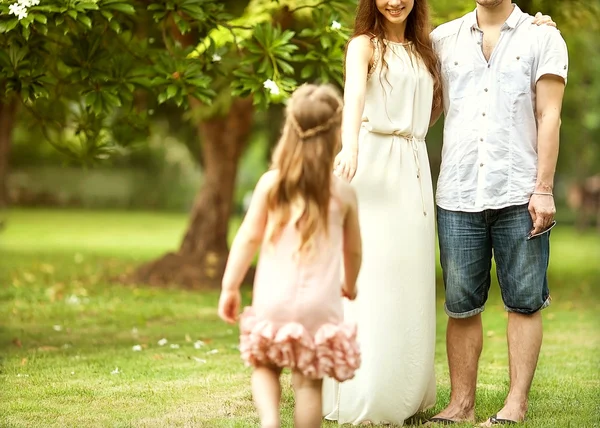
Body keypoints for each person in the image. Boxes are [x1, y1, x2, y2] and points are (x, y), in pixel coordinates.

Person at [428, 1, 568, 425]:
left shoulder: (543, 37)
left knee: (524, 302)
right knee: (460, 305)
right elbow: (425, 109)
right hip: (458, 191)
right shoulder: (441, 40)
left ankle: (516, 404)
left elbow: (550, 114)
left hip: (519, 191)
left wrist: (543, 188)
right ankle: (461, 404)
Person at [323, 0, 442, 424]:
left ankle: (405, 390)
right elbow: (354, 96)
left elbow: (436, 102)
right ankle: (368, 390)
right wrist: (350, 146)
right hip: (372, 165)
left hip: (413, 168)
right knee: (372, 276)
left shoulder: (426, 49)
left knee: (409, 278)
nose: (394, 1)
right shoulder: (364, 45)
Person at [217, 84, 363, 428]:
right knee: (308, 382)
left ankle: (270, 421)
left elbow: (247, 238)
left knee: (265, 366)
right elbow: (353, 249)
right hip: (320, 306)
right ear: (335, 135)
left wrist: (230, 286)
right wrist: (350, 284)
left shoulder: (272, 185)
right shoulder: (343, 194)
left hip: (273, 301)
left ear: (289, 133)